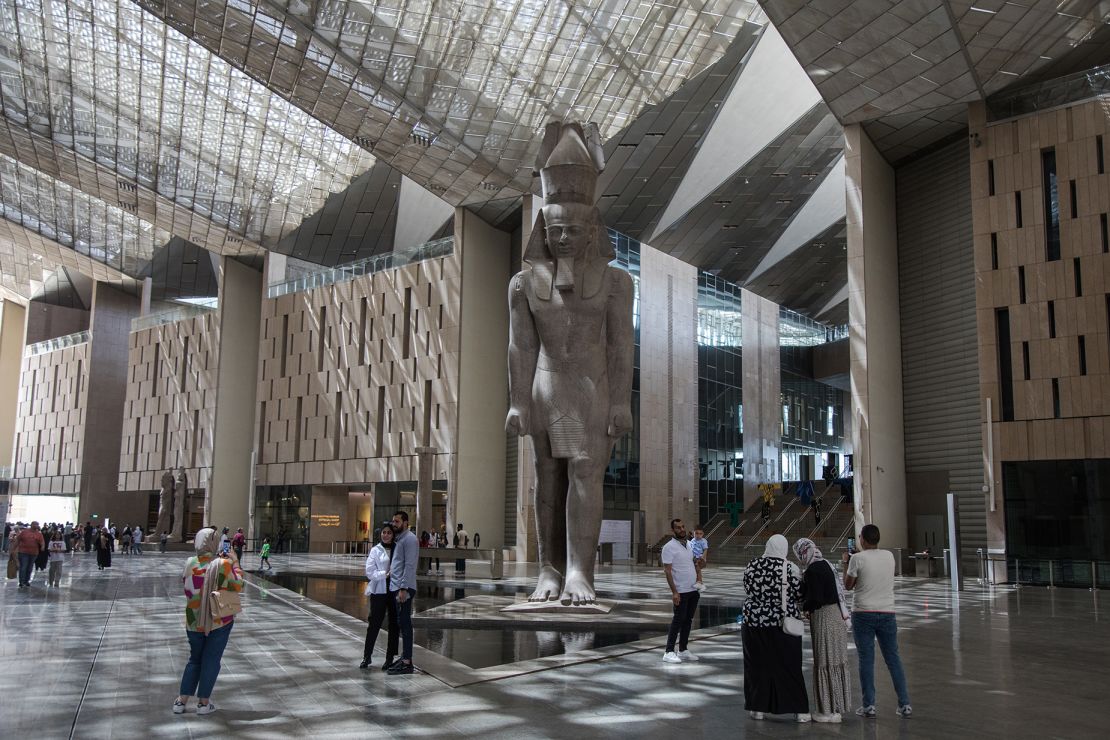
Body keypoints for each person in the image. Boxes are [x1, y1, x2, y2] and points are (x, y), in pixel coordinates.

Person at [844, 524, 912, 719]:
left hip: (863, 612)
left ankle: (869, 706)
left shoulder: (857, 559)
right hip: (887, 612)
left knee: (866, 659)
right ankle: (904, 703)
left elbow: (848, 586)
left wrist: (845, 564)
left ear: (863, 539)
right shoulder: (889, 556)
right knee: (893, 658)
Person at [174, 527, 244, 716]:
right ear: (212, 543)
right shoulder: (222, 564)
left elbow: (189, 587)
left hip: (193, 619)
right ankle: (204, 703)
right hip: (218, 620)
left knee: (194, 659)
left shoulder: (189, 563)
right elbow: (238, 584)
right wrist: (235, 562)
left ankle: (181, 701)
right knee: (211, 659)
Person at [742, 534, 810, 723]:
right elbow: (798, 593)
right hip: (782, 623)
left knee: (757, 665)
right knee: (789, 666)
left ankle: (757, 708)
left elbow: (747, 589)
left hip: (753, 622)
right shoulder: (789, 568)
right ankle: (798, 710)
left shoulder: (752, 565)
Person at [794, 537, 851, 723]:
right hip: (836, 615)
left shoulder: (812, 570)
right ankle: (836, 709)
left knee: (824, 660)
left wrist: (805, 607)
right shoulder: (826, 564)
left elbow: (815, 598)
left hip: (824, 618)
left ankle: (825, 711)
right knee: (836, 660)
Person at [660, 518, 700, 664]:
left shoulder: (689, 544)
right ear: (673, 530)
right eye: (678, 528)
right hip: (681, 591)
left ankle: (682, 649)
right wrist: (674, 592)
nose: (682, 529)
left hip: (693, 589)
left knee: (688, 621)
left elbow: (694, 564)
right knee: (678, 620)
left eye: (683, 527)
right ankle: (669, 651)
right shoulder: (668, 547)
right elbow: (668, 571)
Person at [361, 524, 399, 670]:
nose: (386, 535)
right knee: (374, 624)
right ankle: (367, 656)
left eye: (389, 533)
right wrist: (385, 574)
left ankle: (390, 658)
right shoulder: (375, 550)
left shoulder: (398, 548)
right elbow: (369, 572)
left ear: (393, 535)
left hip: (394, 590)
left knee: (394, 625)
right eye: (384, 532)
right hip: (379, 590)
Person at [386, 511, 418, 675]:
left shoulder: (410, 539)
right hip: (397, 586)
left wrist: (403, 588)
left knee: (405, 624)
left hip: (403, 588)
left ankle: (407, 662)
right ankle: (405, 657)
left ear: (405, 522)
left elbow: (410, 565)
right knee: (401, 623)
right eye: (393, 521)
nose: (394, 524)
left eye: (397, 521)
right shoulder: (400, 539)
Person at [14, 521, 45, 589]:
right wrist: (14, 549)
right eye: (35, 524)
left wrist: (42, 546)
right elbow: (18, 540)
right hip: (23, 552)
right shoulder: (24, 532)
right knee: (23, 567)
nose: (36, 525)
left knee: (29, 568)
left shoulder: (39, 534)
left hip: (34, 553)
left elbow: (42, 541)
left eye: (37, 524)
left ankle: (26, 581)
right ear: (31, 525)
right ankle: (21, 582)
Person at [689, 528, 709, 592]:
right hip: (693, 558)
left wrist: (702, 558)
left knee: (698, 569)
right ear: (693, 534)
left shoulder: (703, 541)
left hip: (700, 557)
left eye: (700, 534)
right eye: (696, 533)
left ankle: (700, 582)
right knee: (695, 570)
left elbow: (705, 550)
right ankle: (698, 583)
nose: (698, 535)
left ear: (703, 534)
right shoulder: (692, 540)